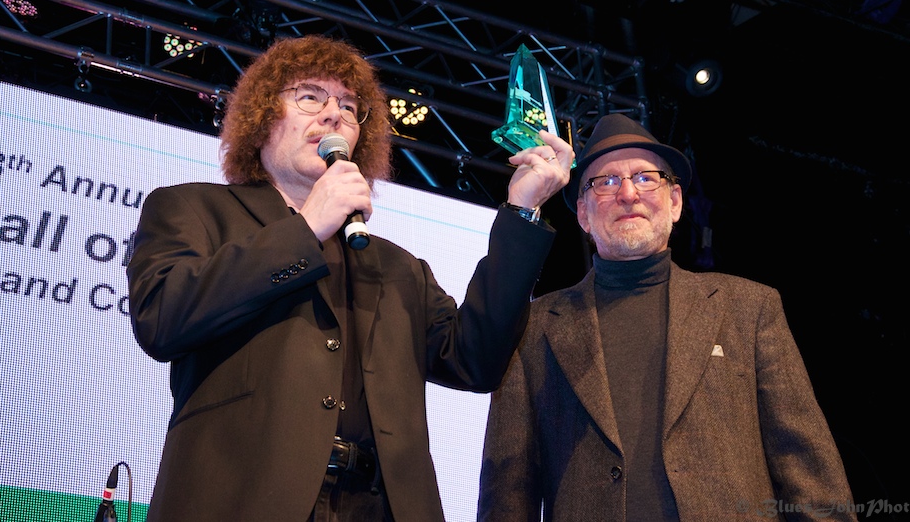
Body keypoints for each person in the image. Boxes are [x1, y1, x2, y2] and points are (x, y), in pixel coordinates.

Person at [126, 34, 574, 521]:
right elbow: (163, 319)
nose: (333, 115)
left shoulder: (398, 268)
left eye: (348, 105)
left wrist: (522, 210)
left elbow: (476, 361)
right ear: (262, 116)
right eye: (310, 96)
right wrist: (305, 229)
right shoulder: (192, 208)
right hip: (242, 499)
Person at [477, 113, 857, 521]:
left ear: (675, 202)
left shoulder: (749, 309)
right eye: (606, 181)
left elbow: (810, 474)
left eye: (645, 177)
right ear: (583, 214)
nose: (628, 193)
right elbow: (507, 493)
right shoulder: (533, 328)